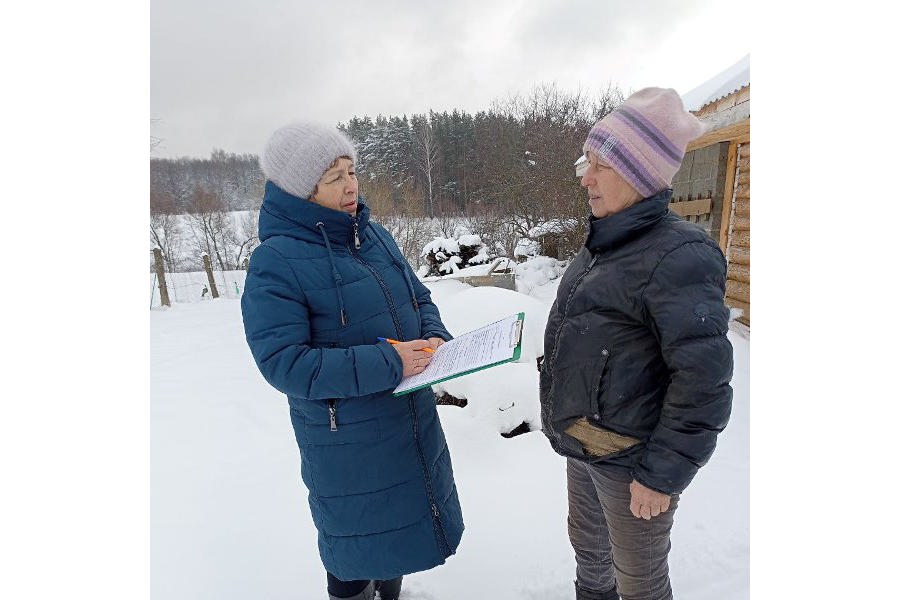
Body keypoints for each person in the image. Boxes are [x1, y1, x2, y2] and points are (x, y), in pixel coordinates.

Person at [240, 122, 464, 600]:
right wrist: (390, 361)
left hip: (408, 420)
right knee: (355, 547)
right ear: (302, 191)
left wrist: (434, 338)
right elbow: (285, 363)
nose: (350, 185)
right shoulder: (275, 261)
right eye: (333, 177)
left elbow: (418, 298)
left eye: (351, 170)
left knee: (400, 536)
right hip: (345, 440)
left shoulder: (374, 236)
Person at [539, 88, 734, 600]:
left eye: (601, 164)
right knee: (589, 554)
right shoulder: (602, 244)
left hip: (634, 463)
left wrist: (662, 475)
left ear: (640, 173)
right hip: (584, 442)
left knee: (639, 583)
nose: (586, 176)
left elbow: (704, 382)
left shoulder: (680, 256)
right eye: (588, 161)